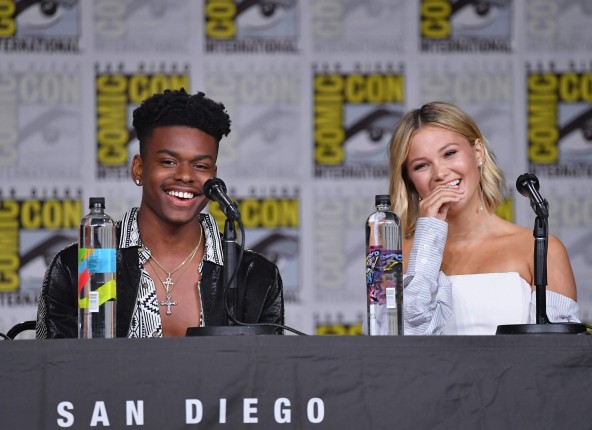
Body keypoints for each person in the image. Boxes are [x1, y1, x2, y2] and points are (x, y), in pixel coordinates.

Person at [36, 89, 284, 338]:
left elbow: (269, 362)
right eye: (168, 162)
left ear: (214, 176)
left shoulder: (256, 275)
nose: (185, 176)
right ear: (139, 168)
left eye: (200, 166)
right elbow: (54, 361)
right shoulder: (80, 265)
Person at [388, 101, 580, 335]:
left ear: (478, 153)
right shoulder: (394, 257)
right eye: (421, 166)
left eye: (450, 153)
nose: (440, 173)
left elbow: (558, 351)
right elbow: (399, 342)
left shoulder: (540, 248)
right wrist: (428, 235)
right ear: (410, 180)